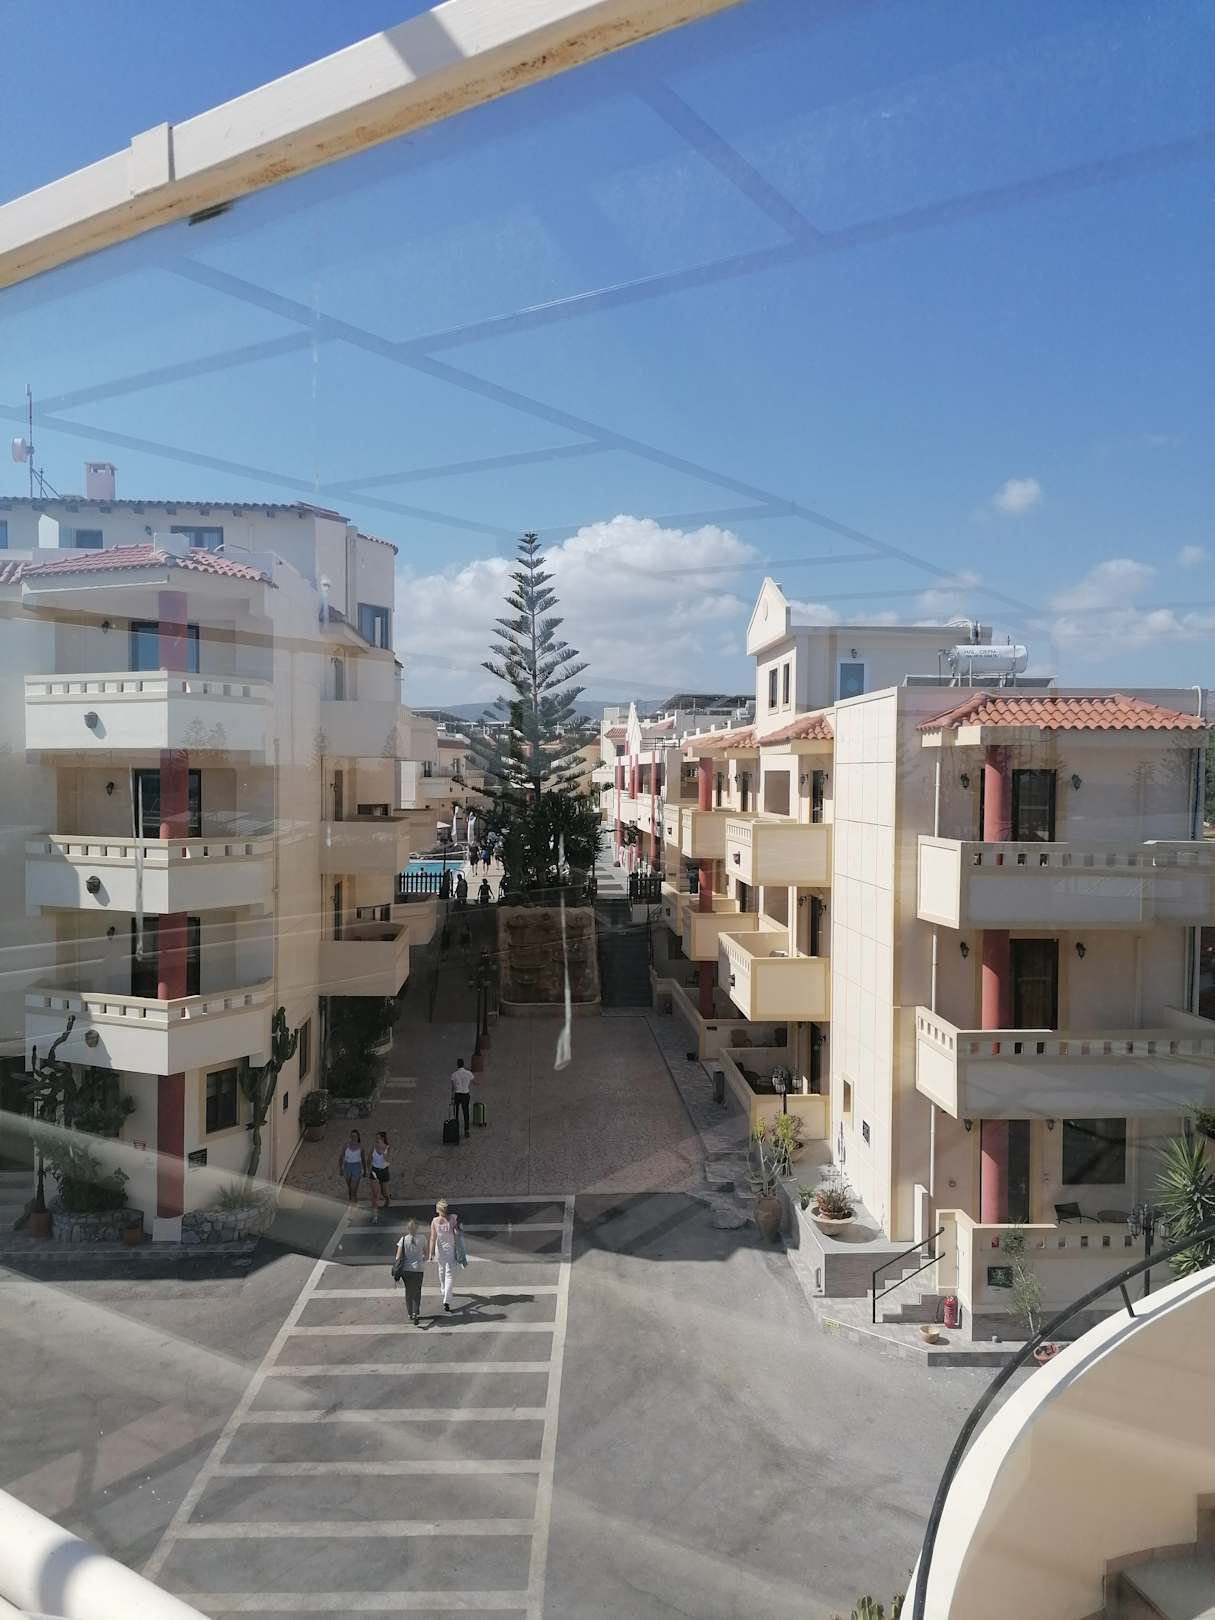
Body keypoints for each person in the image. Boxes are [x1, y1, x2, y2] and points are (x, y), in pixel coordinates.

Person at [428, 1199, 466, 1312]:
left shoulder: (434, 1221)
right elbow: (457, 1232)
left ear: (437, 1210)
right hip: (450, 1249)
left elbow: (432, 1238)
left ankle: (443, 1289)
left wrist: (430, 1253)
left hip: (439, 1249)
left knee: (441, 1269)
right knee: (449, 1274)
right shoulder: (452, 1219)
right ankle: (447, 1299)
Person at [394, 1219, 426, 1325]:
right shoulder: (422, 1238)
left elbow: (398, 1257)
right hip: (418, 1270)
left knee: (409, 1291)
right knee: (417, 1291)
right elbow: (425, 1254)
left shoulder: (403, 1240)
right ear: (417, 1228)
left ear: (408, 1229)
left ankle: (410, 1313)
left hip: (406, 1270)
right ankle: (416, 1312)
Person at [337, 1130, 366, 1206]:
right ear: (350, 1137)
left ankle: (353, 1207)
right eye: (352, 1136)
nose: (353, 1138)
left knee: (353, 1190)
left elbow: (363, 1159)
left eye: (355, 1136)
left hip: (356, 1168)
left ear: (358, 1137)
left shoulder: (361, 1147)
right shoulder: (346, 1145)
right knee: (350, 1188)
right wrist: (340, 1168)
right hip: (347, 1168)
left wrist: (365, 1170)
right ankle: (352, 1202)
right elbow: (341, 1157)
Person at [450, 1055, 475, 1139]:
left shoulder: (454, 1075)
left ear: (457, 1065)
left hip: (457, 1094)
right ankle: (466, 1130)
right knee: (466, 1112)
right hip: (465, 1094)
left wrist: (452, 1098)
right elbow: (473, 1081)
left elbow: (453, 1088)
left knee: (456, 1112)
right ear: (463, 1064)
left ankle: (456, 1128)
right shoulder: (468, 1073)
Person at [368, 1131, 391, 1223]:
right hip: (374, 1171)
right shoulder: (373, 1147)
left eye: (378, 1138)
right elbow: (369, 1159)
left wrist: (383, 1153)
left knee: (385, 1192)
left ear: (383, 1139)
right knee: (375, 1194)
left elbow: (388, 1161)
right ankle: (375, 1216)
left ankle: (387, 1199)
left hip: (384, 1171)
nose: (376, 1139)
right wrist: (369, 1169)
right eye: (376, 1137)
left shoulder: (387, 1147)